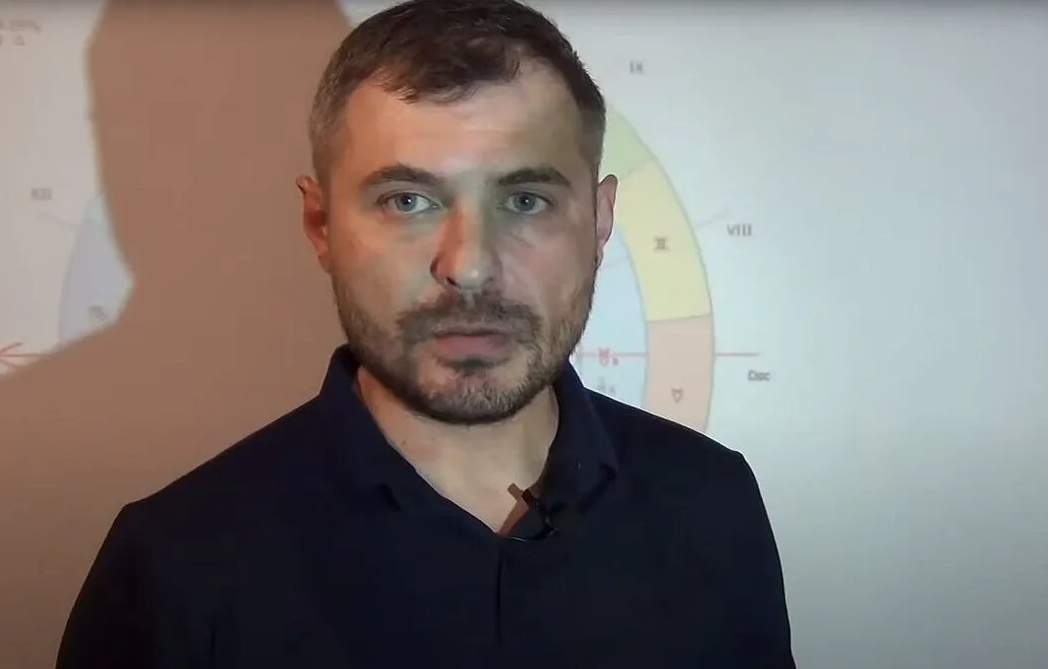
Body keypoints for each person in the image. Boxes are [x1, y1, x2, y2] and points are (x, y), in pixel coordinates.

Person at [56, 0, 795, 666]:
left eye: (526, 199)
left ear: (599, 223)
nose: (468, 267)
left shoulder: (712, 503)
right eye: (407, 200)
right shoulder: (174, 566)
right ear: (320, 224)